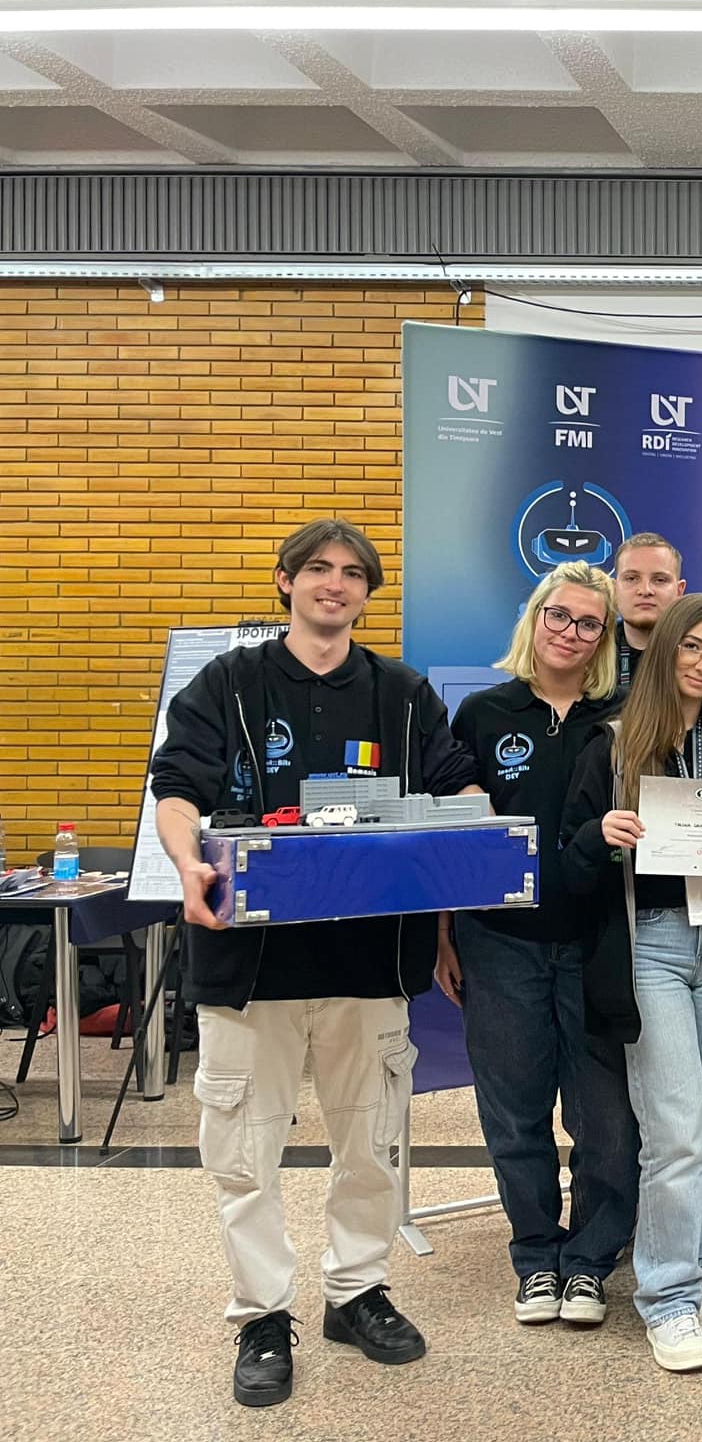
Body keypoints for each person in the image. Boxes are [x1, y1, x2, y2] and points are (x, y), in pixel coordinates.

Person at [150, 518, 480, 1409]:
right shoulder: (230, 683)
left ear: (368, 591)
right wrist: (186, 862)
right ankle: (262, 1314)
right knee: (245, 1152)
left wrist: (479, 830)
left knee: (368, 1143)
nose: (335, 584)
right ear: (286, 581)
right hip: (249, 965)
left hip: (367, 962)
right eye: (318, 570)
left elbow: (456, 783)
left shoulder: (402, 694)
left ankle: (356, 1291)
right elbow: (176, 789)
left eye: (353, 574)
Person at [560, 595, 702, 1375]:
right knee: (676, 1133)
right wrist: (600, 836)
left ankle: (684, 1262)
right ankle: (668, 1298)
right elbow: (568, 863)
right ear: (664, 652)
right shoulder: (612, 745)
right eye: (693, 648)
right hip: (651, 949)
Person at [437, 563, 639, 1329]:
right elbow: (455, 834)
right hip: (499, 942)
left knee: (606, 1122)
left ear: (605, 637)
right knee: (515, 1114)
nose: (571, 633)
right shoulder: (484, 713)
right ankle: (535, 1257)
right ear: (535, 616)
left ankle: (589, 1262)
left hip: (598, 942)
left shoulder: (623, 718)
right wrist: (446, 933)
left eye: (589, 623)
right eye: (559, 615)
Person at [613, 532, 686, 691]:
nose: (645, 590)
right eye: (631, 578)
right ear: (614, 589)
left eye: (659, 580)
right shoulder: (590, 653)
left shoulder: (699, 657)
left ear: (679, 591)